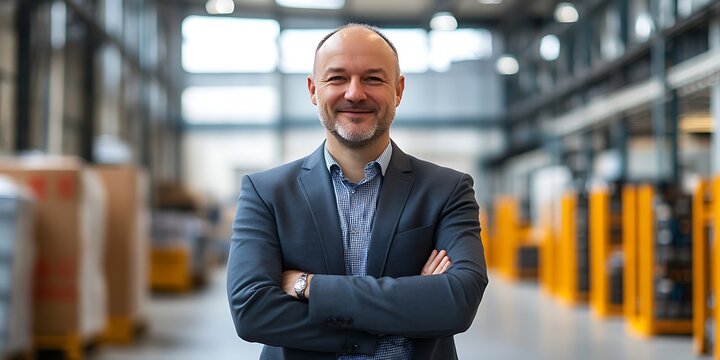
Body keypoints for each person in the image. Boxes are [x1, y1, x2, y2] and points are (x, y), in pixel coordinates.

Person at [226, 23, 488, 360]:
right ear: (313, 90)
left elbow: (458, 302)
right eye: (337, 78)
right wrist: (413, 302)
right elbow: (252, 312)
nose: (354, 93)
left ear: (398, 90)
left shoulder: (447, 190)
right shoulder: (266, 193)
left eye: (373, 79)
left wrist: (309, 286)